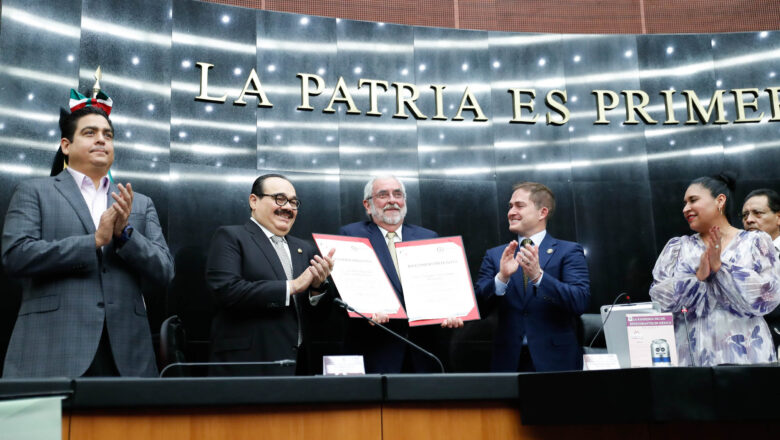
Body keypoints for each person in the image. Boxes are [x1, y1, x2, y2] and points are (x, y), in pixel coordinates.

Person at [1, 91, 174, 377]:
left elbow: (165, 271)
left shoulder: (138, 203)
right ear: (66, 145)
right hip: (53, 348)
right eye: (90, 132)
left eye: (108, 134)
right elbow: (16, 256)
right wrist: (92, 242)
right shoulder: (35, 191)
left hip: (126, 354)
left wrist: (125, 235)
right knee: (49, 425)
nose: (101, 139)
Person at [205, 174, 334, 376]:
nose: (288, 207)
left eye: (293, 202)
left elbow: (315, 317)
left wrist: (317, 289)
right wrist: (292, 286)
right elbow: (226, 291)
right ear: (254, 201)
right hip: (249, 365)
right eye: (279, 199)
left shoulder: (304, 248)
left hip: (299, 366)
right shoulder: (231, 237)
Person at [650, 174, 780, 366]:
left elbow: (768, 297)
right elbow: (659, 301)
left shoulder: (756, 242)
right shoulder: (677, 248)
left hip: (748, 356)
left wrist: (721, 268)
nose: (686, 208)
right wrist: (698, 277)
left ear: (720, 201)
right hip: (690, 357)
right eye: (684, 203)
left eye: (693, 200)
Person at [338, 176, 462, 373]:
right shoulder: (351, 235)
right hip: (375, 350)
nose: (392, 200)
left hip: (423, 352)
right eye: (383, 195)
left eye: (397, 194)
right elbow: (341, 290)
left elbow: (440, 288)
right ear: (367, 205)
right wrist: (363, 309)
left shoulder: (427, 237)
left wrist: (450, 311)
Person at [475, 182, 590, 372]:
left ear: (542, 212)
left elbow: (580, 301)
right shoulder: (495, 255)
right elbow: (478, 308)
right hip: (507, 361)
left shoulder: (568, 251)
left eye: (519, 206)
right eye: (510, 206)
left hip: (556, 362)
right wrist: (501, 279)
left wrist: (538, 277)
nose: (511, 212)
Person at [742, 188, 780, 253]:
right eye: (745, 215)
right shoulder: (738, 253)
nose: (748, 220)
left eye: (757, 213)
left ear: (778, 218)